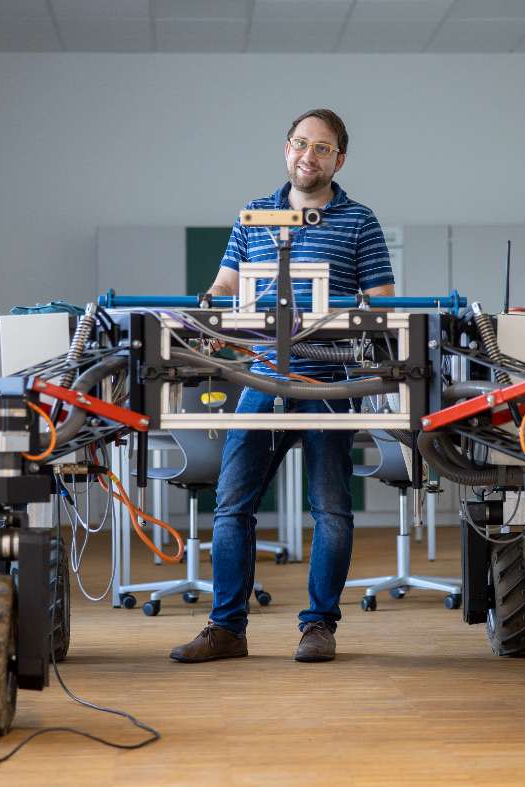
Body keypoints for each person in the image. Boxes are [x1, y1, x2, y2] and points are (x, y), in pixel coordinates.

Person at [170, 108, 395, 664]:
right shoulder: (255, 215)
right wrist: (207, 312)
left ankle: (319, 627)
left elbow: (385, 300)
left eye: (322, 148)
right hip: (262, 374)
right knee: (232, 505)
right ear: (285, 149)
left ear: (339, 159)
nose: (308, 156)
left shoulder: (359, 220)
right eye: (300, 144)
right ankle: (226, 629)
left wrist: (366, 315)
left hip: (331, 380)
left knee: (332, 509)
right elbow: (225, 284)